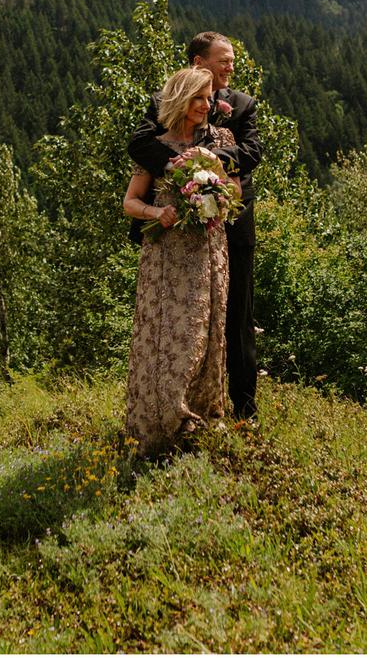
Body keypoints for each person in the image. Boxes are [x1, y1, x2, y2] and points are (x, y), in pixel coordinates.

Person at [129, 32, 262, 422]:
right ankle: (170, 407)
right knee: (176, 320)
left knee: (235, 316)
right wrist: (178, 167)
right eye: (224, 60)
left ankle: (243, 409)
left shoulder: (241, 106)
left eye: (232, 60)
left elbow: (252, 153)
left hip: (231, 225)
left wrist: (211, 158)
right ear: (197, 63)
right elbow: (139, 144)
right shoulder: (163, 101)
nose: (231, 67)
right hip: (174, 231)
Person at [122, 66, 234, 454]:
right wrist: (158, 214)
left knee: (207, 335)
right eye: (199, 99)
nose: (207, 105)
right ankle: (165, 423)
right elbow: (130, 202)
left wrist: (214, 172)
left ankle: (204, 418)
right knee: (171, 338)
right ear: (181, 100)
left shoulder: (220, 139)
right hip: (166, 259)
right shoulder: (158, 147)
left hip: (208, 253)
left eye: (208, 98)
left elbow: (233, 193)